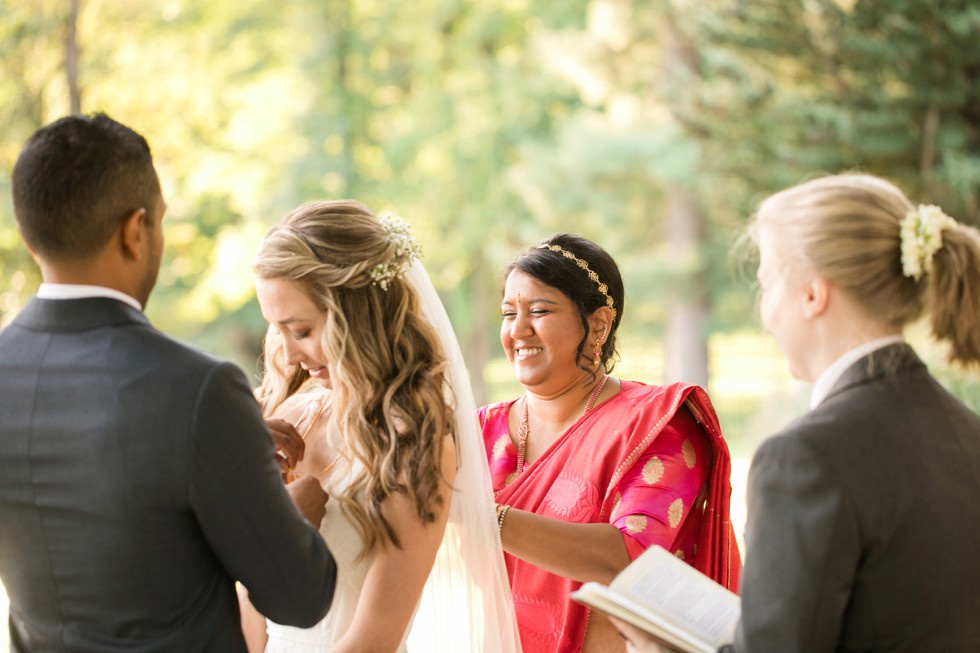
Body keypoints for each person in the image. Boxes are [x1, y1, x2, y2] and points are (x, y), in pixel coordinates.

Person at [0, 114, 337, 653]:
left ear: (28, 236)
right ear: (137, 231)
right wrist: (292, 505)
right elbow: (299, 597)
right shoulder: (198, 390)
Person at [614, 172, 980, 652]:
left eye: (767, 286)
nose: (765, 315)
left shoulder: (806, 459)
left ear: (812, 294)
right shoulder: (967, 430)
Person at [239, 199, 522, 652]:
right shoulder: (289, 418)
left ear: (358, 314)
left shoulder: (412, 443)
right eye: (278, 329)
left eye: (302, 330)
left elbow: (375, 639)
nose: (287, 354)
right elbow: (251, 607)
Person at [482, 233, 741, 653]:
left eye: (540, 310)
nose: (518, 330)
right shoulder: (481, 431)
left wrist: (483, 518)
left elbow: (629, 559)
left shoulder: (657, 425)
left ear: (599, 323)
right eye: (509, 313)